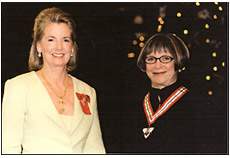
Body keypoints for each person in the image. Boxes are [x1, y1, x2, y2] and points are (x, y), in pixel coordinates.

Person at [2, 7, 105, 154]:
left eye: (65, 40)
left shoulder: (88, 92)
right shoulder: (18, 87)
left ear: (72, 48)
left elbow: (95, 150)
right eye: (51, 39)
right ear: (38, 46)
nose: (59, 47)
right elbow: (7, 149)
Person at [121, 33, 209, 153]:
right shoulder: (131, 106)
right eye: (151, 59)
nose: (157, 65)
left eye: (165, 58)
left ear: (178, 62)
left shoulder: (197, 106)